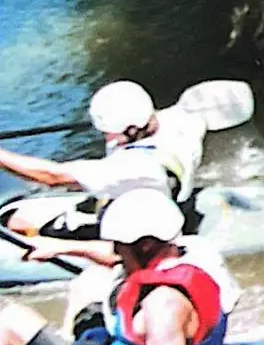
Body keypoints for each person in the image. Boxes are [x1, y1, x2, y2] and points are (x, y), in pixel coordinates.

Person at [0, 189, 240, 345]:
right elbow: (116, 254)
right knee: (92, 280)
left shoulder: (164, 304)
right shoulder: (193, 250)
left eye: (119, 246)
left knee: (12, 319)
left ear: (145, 246)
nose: (116, 253)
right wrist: (61, 248)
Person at [0, 81, 207, 239]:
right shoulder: (183, 122)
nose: (107, 138)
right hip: (171, 203)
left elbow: (52, 176)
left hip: (143, 227)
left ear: (133, 129)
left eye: (109, 133)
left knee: (15, 222)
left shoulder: (132, 166)